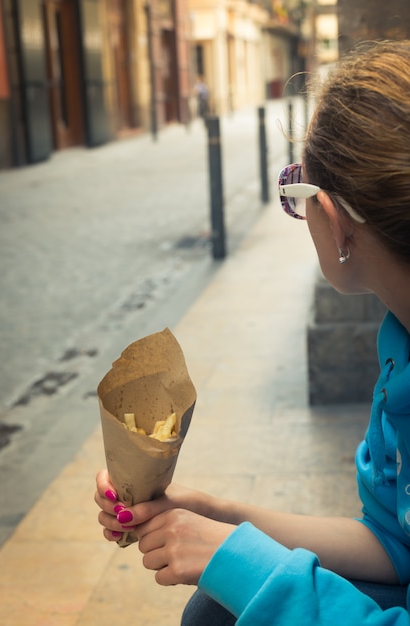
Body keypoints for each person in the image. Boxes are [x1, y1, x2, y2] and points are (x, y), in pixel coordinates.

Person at [95, 40, 410, 624]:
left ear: (337, 223)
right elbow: (395, 547)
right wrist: (221, 515)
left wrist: (250, 566)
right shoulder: (400, 340)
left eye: (297, 192)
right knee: (215, 607)